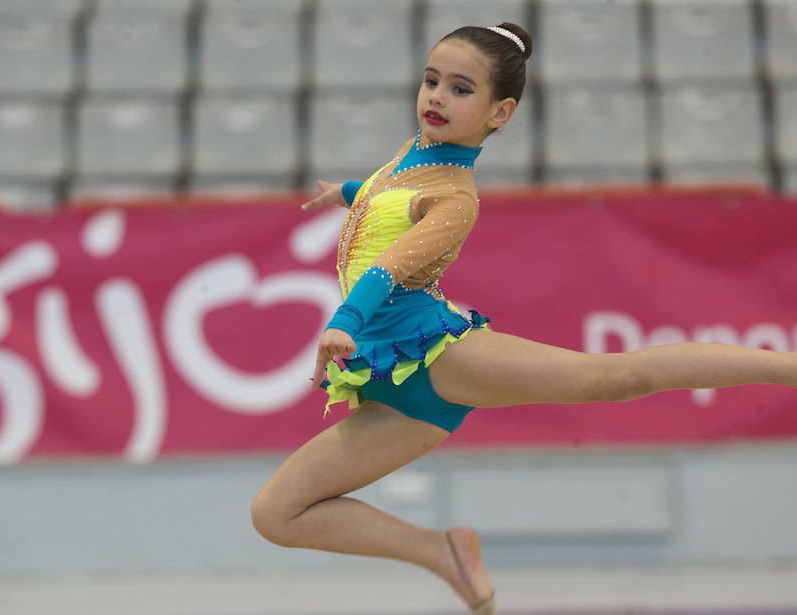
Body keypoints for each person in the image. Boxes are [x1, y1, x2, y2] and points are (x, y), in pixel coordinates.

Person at [251, 23, 797, 615]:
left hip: (430, 353)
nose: (436, 96)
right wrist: (350, 192)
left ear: (499, 112)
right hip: (390, 384)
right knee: (276, 513)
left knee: (610, 378)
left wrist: (343, 324)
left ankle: (789, 368)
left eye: (461, 90)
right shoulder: (412, 158)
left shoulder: (455, 196)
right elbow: (387, 200)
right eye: (431, 80)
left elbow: (386, 268)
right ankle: (443, 554)